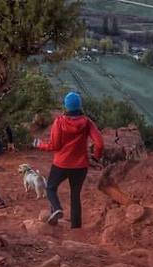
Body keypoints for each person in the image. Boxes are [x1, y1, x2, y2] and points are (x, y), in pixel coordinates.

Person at [34, 91, 104, 227]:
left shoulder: (59, 121)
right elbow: (100, 143)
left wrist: (39, 144)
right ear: (79, 106)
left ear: (66, 106)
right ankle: (76, 227)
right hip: (80, 166)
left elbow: (54, 145)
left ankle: (57, 208)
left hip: (61, 164)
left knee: (51, 188)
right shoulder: (87, 122)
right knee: (75, 195)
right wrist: (96, 157)